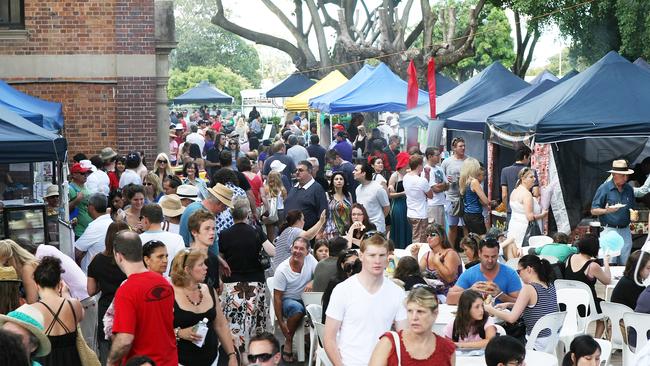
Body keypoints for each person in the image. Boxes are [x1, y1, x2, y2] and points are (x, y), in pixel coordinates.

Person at [324, 234, 407, 366]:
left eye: (381, 255)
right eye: (372, 255)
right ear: (361, 256)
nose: (377, 261)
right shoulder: (343, 290)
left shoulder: (397, 293)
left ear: (388, 258)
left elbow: (404, 337)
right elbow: (329, 338)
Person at [107, 231, 177, 366]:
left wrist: (111, 362)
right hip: (169, 360)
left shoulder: (127, 290)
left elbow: (125, 339)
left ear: (119, 256)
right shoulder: (164, 283)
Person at [219, 198, 275, 354]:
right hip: (255, 283)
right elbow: (272, 251)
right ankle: (257, 354)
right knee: (257, 323)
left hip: (232, 284)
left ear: (232, 214)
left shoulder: (224, 234)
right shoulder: (256, 232)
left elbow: (220, 258)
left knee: (235, 324)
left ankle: (237, 354)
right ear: (248, 214)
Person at [170, 250, 238, 366]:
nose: (206, 268)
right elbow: (158, 330)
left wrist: (231, 355)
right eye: (201, 265)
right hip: (180, 361)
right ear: (187, 270)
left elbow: (221, 325)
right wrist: (179, 333)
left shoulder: (209, 290)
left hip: (212, 360)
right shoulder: (170, 293)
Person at [485, 255, 559, 349]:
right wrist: (509, 304)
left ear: (528, 269)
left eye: (519, 271)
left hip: (536, 341)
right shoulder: (549, 285)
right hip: (552, 339)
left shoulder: (529, 288)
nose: (518, 275)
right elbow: (537, 306)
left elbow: (511, 318)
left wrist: (490, 309)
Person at [368, 286, 455, 366]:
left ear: (435, 314)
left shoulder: (447, 349)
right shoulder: (389, 343)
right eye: (410, 311)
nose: (414, 317)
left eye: (420, 311)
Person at [87, 222, 129, 365]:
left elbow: (91, 290)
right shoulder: (131, 261)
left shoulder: (97, 260)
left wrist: (102, 283)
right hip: (127, 309)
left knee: (106, 353)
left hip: (106, 310)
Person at [32, 257, 84, 366]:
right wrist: (65, 294)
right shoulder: (74, 305)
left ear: (37, 285)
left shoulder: (33, 310)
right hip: (72, 361)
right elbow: (80, 316)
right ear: (59, 284)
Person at [272, 237, 317, 362]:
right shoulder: (282, 270)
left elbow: (319, 274)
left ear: (308, 252)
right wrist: (281, 322)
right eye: (295, 248)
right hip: (288, 300)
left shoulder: (310, 259)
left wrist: (313, 281)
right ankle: (289, 340)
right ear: (291, 248)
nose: (297, 251)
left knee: (321, 308)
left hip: (306, 298)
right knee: (297, 309)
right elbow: (277, 298)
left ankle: (309, 339)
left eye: (301, 249)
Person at [446, 237, 522, 305]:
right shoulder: (470, 273)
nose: (490, 260)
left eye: (493, 256)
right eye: (486, 256)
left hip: (503, 319)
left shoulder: (509, 274)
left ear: (498, 254)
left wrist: (501, 295)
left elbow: (521, 303)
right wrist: (470, 292)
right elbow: (449, 299)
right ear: (479, 254)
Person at [591, 159, 635, 265]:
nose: (626, 178)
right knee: (610, 262)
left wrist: (633, 215)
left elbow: (632, 208)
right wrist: (606, 210)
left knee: (625, 262)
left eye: (626, 175)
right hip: (609, 229)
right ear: (614, 175)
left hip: (625, 230)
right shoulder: (604, 188)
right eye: (623, 175)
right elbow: (593, 210)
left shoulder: (629, 189)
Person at [564, 235, 610, 336]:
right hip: (587, 306)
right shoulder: (592, 266)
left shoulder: (569, 258)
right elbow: (607, 280)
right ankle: (597, 340)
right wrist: (606, 263)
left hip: (568, 303)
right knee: (606, 309)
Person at [139, 203, 185, 277]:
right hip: (171, 284)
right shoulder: (177, 239)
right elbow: (181, 265)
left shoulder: (137, 240)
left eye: (140, 218)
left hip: (143, 284)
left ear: (145, 219)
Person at [418, 224, 463, 297]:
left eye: (433, 235)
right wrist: (415, 255)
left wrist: (438, 263)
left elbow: (449, 279)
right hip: (429, 295)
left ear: (442, 237)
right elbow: (417, 275)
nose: (429, 237)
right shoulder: (427, 255)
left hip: (450, 295)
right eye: (427, 235)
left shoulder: (450, 254)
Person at [507, 168, 547, 248]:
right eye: (531, 177)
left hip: (513, 226)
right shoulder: (526, 194)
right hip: (525, 229)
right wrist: (543, 215)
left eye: (534, 177)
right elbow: (530, 217)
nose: (534, 179)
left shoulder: (514, 191)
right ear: (523, 179)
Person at [284, 160, 328, 231]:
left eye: (301, 170)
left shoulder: (317, 189)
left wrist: (320, 231)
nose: (297, 172)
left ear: (309, 172)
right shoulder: (294, 187)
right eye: (296, 170)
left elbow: (324, 213)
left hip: (307, 234)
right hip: (290, 232)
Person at [73, 193, 112, 273]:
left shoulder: (95, 227)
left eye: (87, 205)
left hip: (92, 275)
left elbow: (75, 252)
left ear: (91, 207)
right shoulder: (111, 222)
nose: (86, 208)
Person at [500, 146, 539, 223]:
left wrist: (507, 207)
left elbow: (504, 194)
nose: (529, 160)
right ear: (525, 156)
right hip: (527, 211)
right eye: (529, 158)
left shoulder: (505, 171)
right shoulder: (532, 172)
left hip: (511, 210)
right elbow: (536, 193)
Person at [441, 137, 468, 250]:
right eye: (460, 146)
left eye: (464, 146)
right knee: (453, 226)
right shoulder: (447, 162)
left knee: (467, 226)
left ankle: (469, 249)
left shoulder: (469, 161)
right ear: (454, 148)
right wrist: (446, 179)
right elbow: (441, 178)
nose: (463, 148)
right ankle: (450, 250)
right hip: (452, 198)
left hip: (466, 198)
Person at [403, 154, 434, 243]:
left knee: (416, 238)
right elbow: (430, 195)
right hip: (420, 214)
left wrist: (427, 175)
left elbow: (423, 186)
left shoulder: (406, 177)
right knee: (419, 241)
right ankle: (417, 257)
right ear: (419, 166)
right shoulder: (421, 181)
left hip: (411, 213)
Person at [0, 239, 39, 304]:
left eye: (5, 264)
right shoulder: (26, 267)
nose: (5, 268)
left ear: (12, 258)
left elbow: (32, 301)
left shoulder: (27, 268)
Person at [355, 162, 390, 233]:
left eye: (356, 170)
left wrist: (379, 218)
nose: (353, 172)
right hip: (363, 227)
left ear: (363, 173)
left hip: (377, 228)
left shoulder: (378, 188)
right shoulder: (358, 189)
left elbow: (386, 208)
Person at [460, 158, 491, 235]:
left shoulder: (464, 180)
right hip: (475, 215)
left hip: (467, 214)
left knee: (472, 239)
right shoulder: (474, 181)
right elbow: (485, 201)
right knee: (481, 238)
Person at [388, 153, 411, 248]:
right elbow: (390, 195)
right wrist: (402, 193)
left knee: (408, 227)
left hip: (409, 204)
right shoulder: (395, 176)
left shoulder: (410, 174)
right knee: (398, 227)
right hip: (398, 205)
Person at [423, 147, 448, 226]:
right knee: (435, 230)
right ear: (430, 156)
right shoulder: (426, 170)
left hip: (441, 203)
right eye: (437, 155)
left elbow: (448, 185)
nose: (439, 157)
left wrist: (441, 186)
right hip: (432, 205)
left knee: (441, 231)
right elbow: (435, 189)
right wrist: (442, 186)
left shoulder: (439, 169)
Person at [324, 172, 353, 240]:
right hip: (331, 230)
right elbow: (324, 214)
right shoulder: (327, 195)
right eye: (336, 179)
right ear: (332, 182)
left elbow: (351, 211)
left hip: (346, 229)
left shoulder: (348, 195)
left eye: (341, 179)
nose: (339, 181)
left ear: (344, 181)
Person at [261, 170, 287, 243]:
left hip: (270, 211)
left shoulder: (266, 189)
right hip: (281, 211)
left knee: (270, 232)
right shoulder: (282, 189)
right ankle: (281, 245)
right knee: (281, 231)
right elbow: (285, 201)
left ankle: (271, 247)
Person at [68, 162, 92, 238]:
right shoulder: (70, 189)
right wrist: (76, 200)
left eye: (87, 173)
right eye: (82, 173)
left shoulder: (85, 185)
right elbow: (64, 210)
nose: (86, 175)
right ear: (74, 175)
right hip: (79, 230)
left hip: (89, 228)